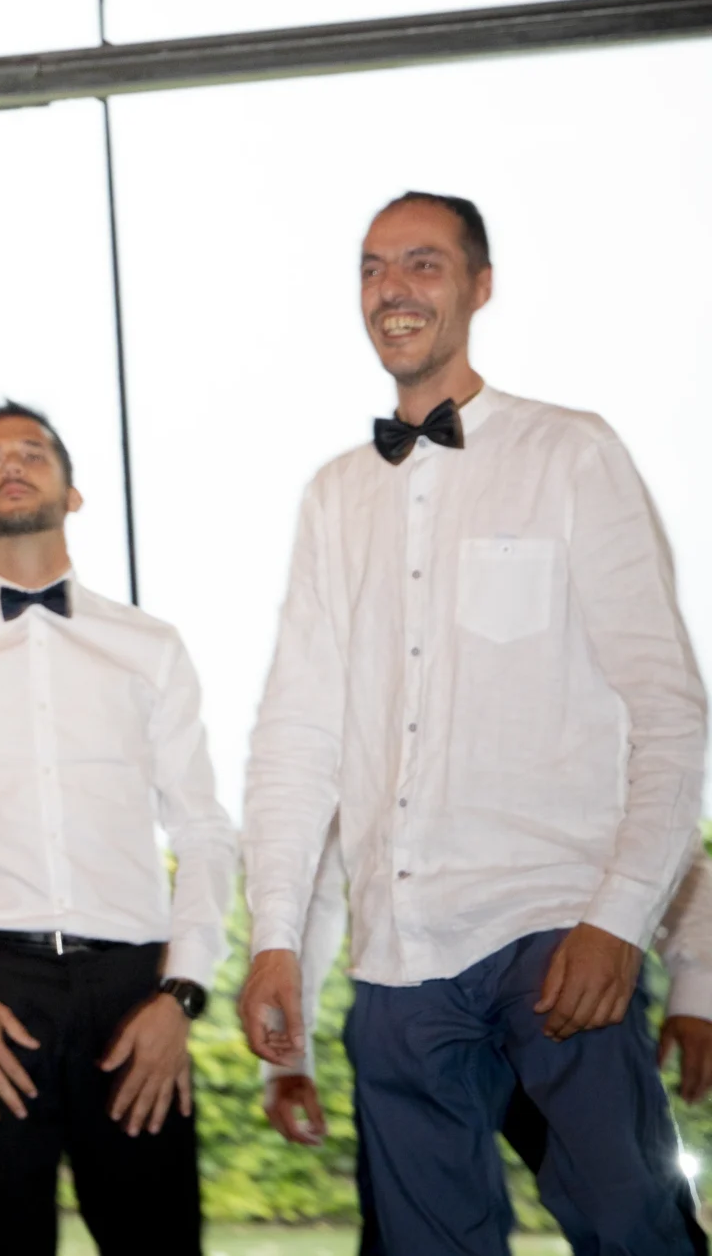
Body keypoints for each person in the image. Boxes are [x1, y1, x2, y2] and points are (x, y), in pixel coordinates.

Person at [238, 190, 705, 1253]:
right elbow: (294, 736)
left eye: (423, 263)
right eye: (371, 267)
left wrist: (619, 917)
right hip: (395, 957)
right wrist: (273, 938)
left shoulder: (570, 453)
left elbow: (668, 706)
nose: (391, 288)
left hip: (554, 931)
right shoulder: (330, 497)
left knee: (635, 1230)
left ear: (480, 286)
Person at [0, 402, 235, 1255]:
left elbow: (203, 829)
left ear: (73, 493)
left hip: (134, 996)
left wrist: (181, 993)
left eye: (32, 451)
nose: (10, 464)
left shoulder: (151, 646)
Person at [262, 835, 712, 1254]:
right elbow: (312, 879)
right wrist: (287, 1054)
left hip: (560, 986)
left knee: (635, 1212)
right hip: (409, 999)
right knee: (413, 1230)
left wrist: (697, 988)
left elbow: (653, 823)